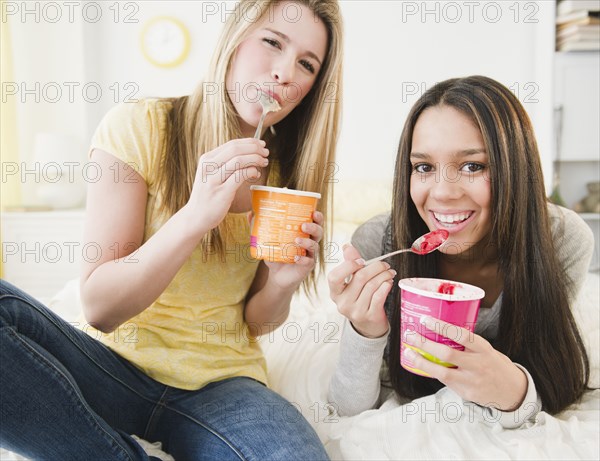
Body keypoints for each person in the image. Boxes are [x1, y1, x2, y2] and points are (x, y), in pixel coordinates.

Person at [0, 1, 343, 459]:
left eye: (306, 64)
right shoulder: (139, 128)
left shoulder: (289, 172)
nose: (284, 72)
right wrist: (195, 216)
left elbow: (258, 321)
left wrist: (280, 283)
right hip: (108, 364)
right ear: (234, 40)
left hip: (223, 385)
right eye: (272, 42)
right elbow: (101, 307)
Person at [327, 75, 593, 429]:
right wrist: (366, 330)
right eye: (423, 167)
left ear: (515, 169)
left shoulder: (562, 239)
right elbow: (348, 413)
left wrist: (514, 392)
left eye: (472, 166)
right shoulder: (381, 243)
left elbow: (552, 375)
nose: (443, 193)